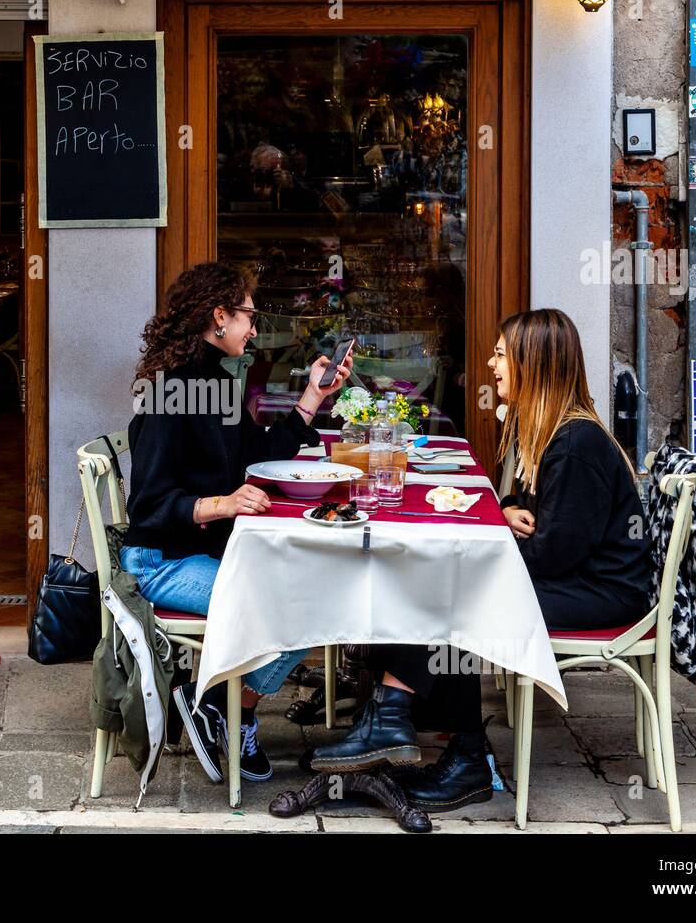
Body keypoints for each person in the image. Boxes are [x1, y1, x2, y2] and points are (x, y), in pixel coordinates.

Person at [311, 308, 650, 813]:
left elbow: (555, 554)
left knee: (459, 595)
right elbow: (544, 523)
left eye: (500, 354)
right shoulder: (551, 431)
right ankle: (399, 720)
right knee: (446, 583)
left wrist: (494, 535)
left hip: (603, 593)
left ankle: (439, 742)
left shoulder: (575, 443)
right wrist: (509, 514)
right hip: (581, 575)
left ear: (532, 363)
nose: (492, 365)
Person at [120, 262, 351, 784]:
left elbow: (260, 454)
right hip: (160, 562)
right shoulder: (169, 391)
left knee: (308, 598)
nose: (254, 327)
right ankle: (220, 705)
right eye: (249, 314)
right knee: (290, 606)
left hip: (200, 552)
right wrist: (221, 504)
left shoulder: (216, 383)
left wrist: (314, 396)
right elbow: (149, 507)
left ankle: (228, 710)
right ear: (219, 316)